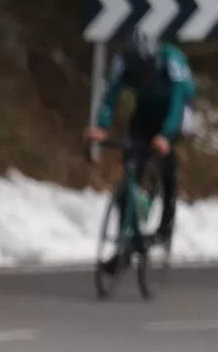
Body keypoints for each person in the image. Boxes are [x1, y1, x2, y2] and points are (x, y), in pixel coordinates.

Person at [84, 24, 196, 250]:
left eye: (145, 70)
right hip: (146, 109)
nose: (142, 76)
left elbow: (177, 103)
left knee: (166, 162)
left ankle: (165, 227)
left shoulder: (171, 60)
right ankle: (128, 237)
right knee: (132, 161)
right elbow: (111, 95)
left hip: (178, 109)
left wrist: (166, 136)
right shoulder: (123, 62)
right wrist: (101, 127)